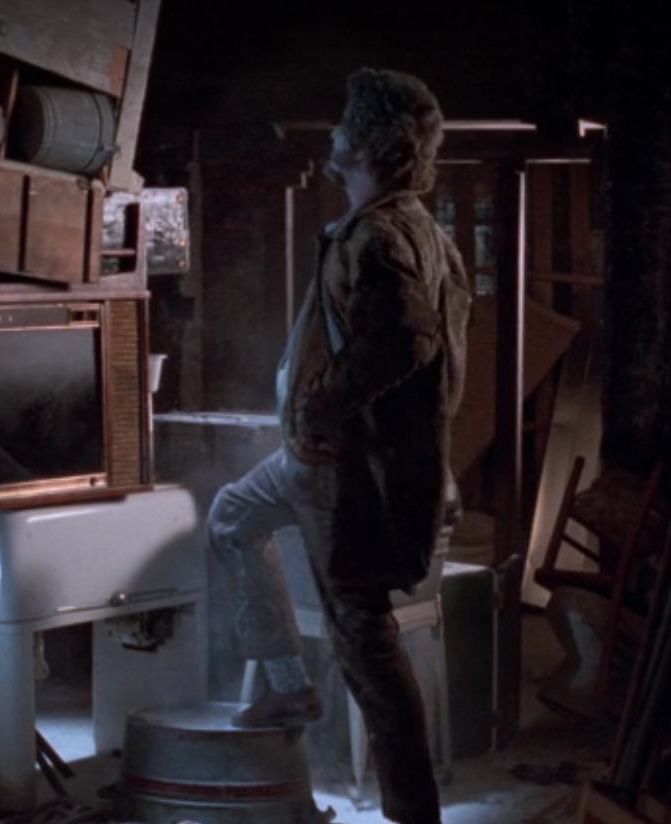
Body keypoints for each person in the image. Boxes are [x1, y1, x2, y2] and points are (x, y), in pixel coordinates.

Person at [206, 67, 470, 824]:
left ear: (373, 144)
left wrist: (316, 410)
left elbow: (407, 342)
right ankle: (289, 686)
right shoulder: (420, 231)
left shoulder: (381, 235)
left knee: (365, 641)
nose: (332, 132)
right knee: (231, 517)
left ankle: (412, 813)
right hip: (322, 462)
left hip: (340, 469)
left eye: (345, 122)